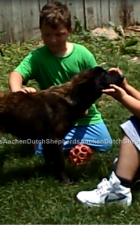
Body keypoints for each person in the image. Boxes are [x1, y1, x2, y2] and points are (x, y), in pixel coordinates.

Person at [76, 32, 140, 207]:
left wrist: (122, 97)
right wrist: (126, 87)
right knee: (129, 157)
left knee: (138, 125)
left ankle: (118, 192)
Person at [8, 1, 113, 156]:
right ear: (41, 32)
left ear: (69, 30)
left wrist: (83, 106)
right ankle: (53, 143)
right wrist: (18, 92)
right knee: (42, 151)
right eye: (47, 35)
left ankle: (60, 143)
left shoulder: (82, 54)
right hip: (54, 118)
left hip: (85, 117)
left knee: (106, 144)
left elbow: (97, 83)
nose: (53, 40)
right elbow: (16, 75)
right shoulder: (37, 58)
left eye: (59, 34)